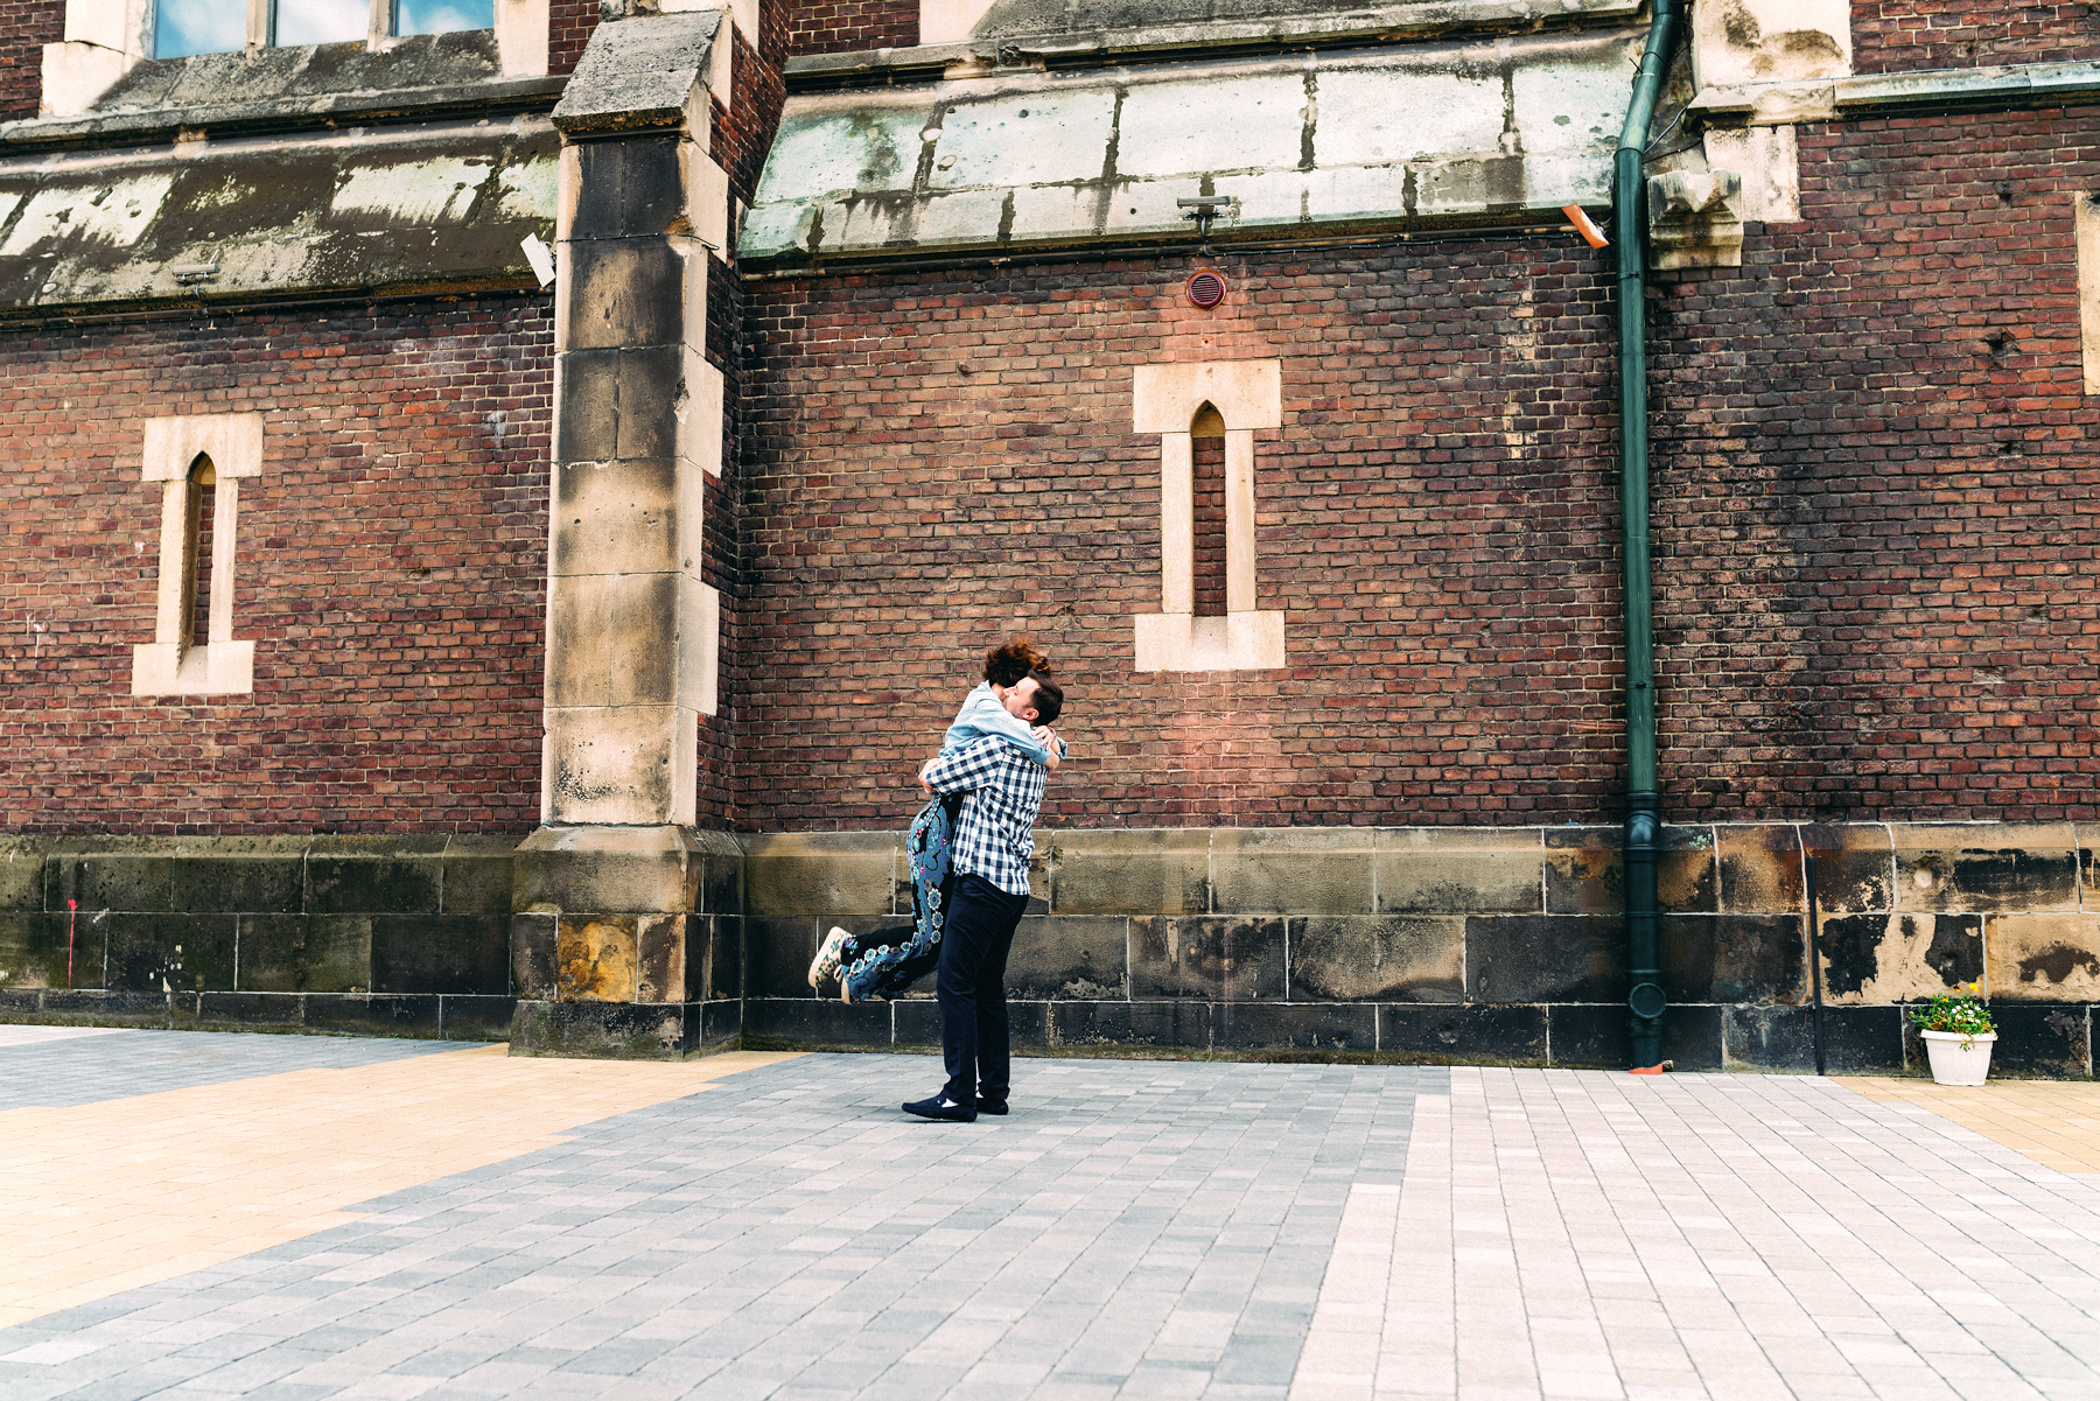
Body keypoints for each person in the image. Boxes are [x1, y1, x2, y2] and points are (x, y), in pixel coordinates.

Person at [806, 642, 1066, 1005]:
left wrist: (1053, 739)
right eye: (1021, 684)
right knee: (933, 934)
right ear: (1011, 681)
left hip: (957, 831)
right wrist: (1052, 751)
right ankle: (851, 950)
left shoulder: (1005, 717)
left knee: (940, 937)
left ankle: (863, 974)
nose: (1015, 692)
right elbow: (1031, 742)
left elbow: (1032, 733)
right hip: (939, 828)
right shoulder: (986, 706)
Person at [902, 671, 1064, 1123]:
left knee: (955, 985)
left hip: (980, 884)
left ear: (1029, 712)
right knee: (988, 988)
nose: (1006, 692)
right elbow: (1054, 748)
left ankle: (958, 1095)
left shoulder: (995, 749)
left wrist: (937, 762)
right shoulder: (1041, 751)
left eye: (1017, 692)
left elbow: (932, 777)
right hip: (1012, 887)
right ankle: (992, 1091)